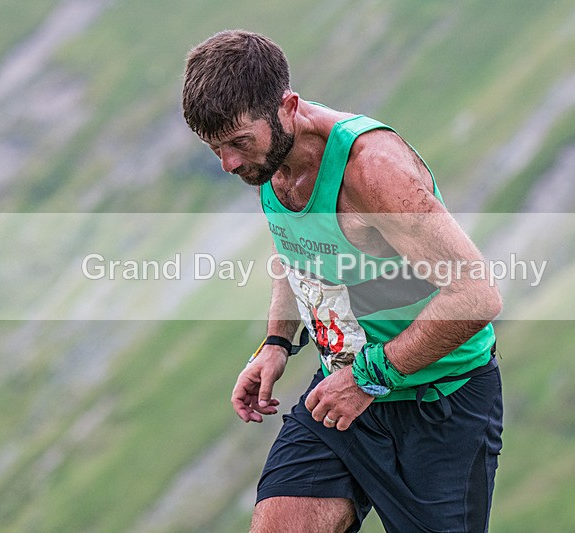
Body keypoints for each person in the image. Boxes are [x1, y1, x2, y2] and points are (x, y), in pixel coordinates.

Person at [182, 29, 503, 533]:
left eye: (239, 143)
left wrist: (368, 378)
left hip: (438, 404)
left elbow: (477, 295)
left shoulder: (373, 170)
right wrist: (276, 342)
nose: (230, 164)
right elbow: (295, 246)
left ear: (286, 106)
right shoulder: (271, 161)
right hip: (345, 393)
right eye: (215, 148)